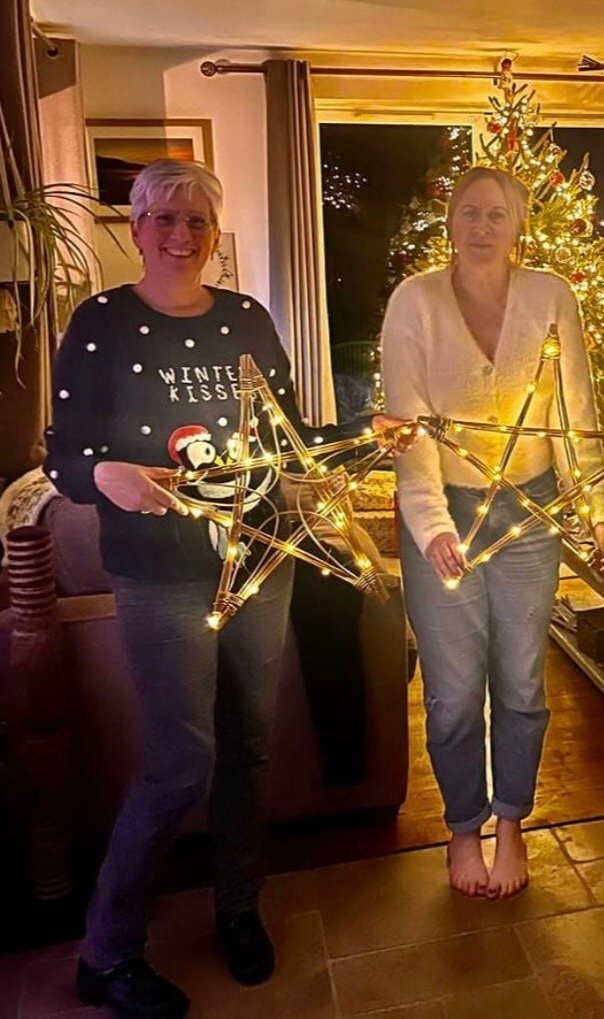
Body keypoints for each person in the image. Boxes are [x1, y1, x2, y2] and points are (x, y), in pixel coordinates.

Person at [44, 159, 403, 1019]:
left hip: (259, 561)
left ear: (214, 234)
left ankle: (238, 908)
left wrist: (365, 433)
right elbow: (64, 457)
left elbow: (288, 436)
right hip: (159, 575)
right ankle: (106, 952)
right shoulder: (100, 323)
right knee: (180, 763)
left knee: (249, 747)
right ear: (136, 229)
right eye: (165, 219)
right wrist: (102, 475)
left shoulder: (246, 319)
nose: (181, 235)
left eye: (197, 221)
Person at [382, 166, 604, 900]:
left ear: (519, 225)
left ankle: (512, 820)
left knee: (520, 681)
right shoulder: (415, 300)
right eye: (469, 212)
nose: (482, 226)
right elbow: (407, 421)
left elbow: (574, 407)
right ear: (449, 221)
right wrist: (430, 525)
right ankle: (463, 828)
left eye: (496, 214)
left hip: (529, 510)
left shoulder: (551, 296)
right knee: (455, 692)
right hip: (444, 510)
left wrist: (598, 508)